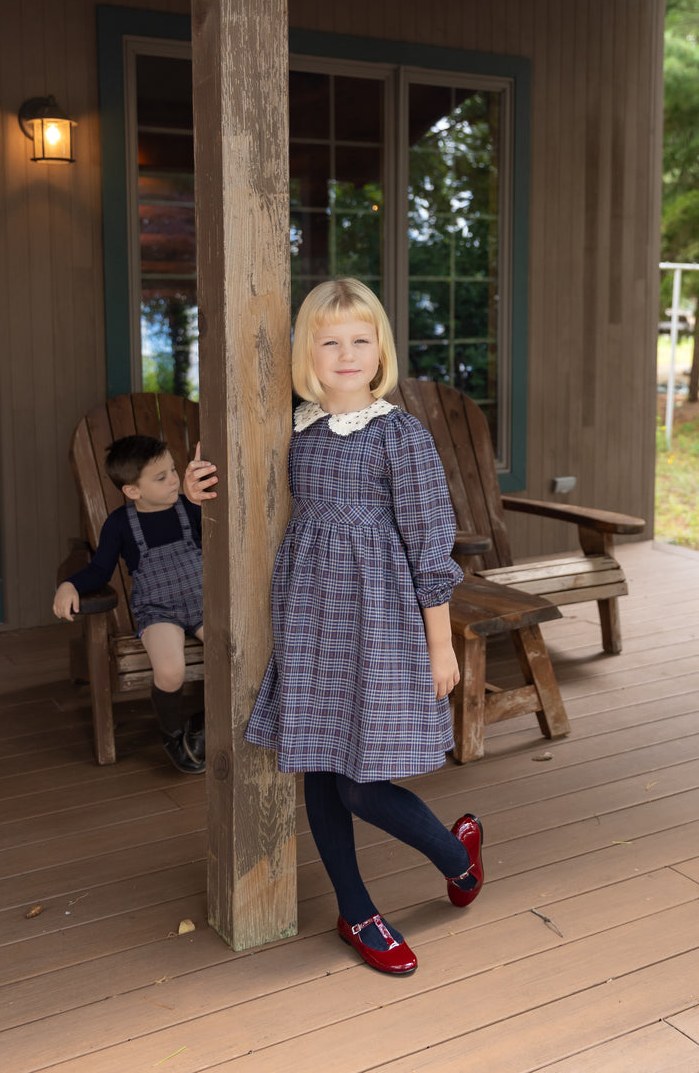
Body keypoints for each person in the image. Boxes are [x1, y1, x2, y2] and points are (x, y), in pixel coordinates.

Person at [185, 278, 484, 974]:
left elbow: (429, 543)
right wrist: (203, 486)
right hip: (308, 613)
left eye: (360, 339)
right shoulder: (290, 427)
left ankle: (455, 856)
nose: (346, 354)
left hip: (379, 620)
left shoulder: (399, 435)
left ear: (380, 347)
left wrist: (441, 645)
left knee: (360, 781)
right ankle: (357, 912)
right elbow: (246, 494)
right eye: (329, 341)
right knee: (319, 764)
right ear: (307, 353)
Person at [53, 435, 205, 775]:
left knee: (238, 652)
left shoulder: (191, 508)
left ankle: (205, 722)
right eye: (161, 477)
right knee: (170, 670)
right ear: (132, 491)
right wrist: (69, 584)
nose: (174, 479)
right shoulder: (120, 524)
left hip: (203, 603)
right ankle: (173, 735)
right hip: (158, 610)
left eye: (174, 470)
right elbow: (99, 569)